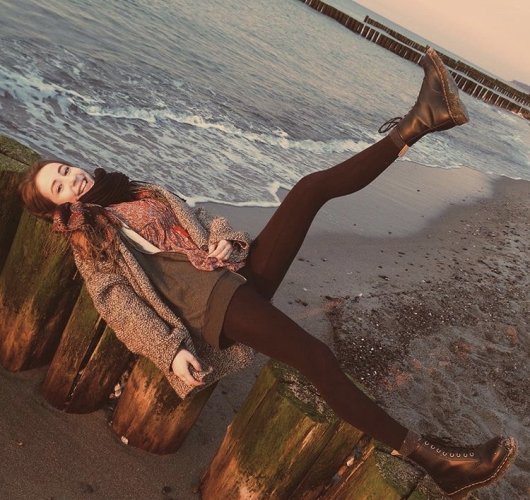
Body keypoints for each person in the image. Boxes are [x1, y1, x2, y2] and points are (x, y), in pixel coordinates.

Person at [19, 48, 516, 498]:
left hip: (231, 273)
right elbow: (118, 307)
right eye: (58, 188)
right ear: (56, 209)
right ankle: (434, 460)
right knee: (317, 359)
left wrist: (224, 238)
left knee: (308, 190)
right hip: (211, 304)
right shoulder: (91, 238)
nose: (69, 179)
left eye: (63, 170)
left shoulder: (132, 189)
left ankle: (422, 120)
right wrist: (168, 352)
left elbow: (199, 219)